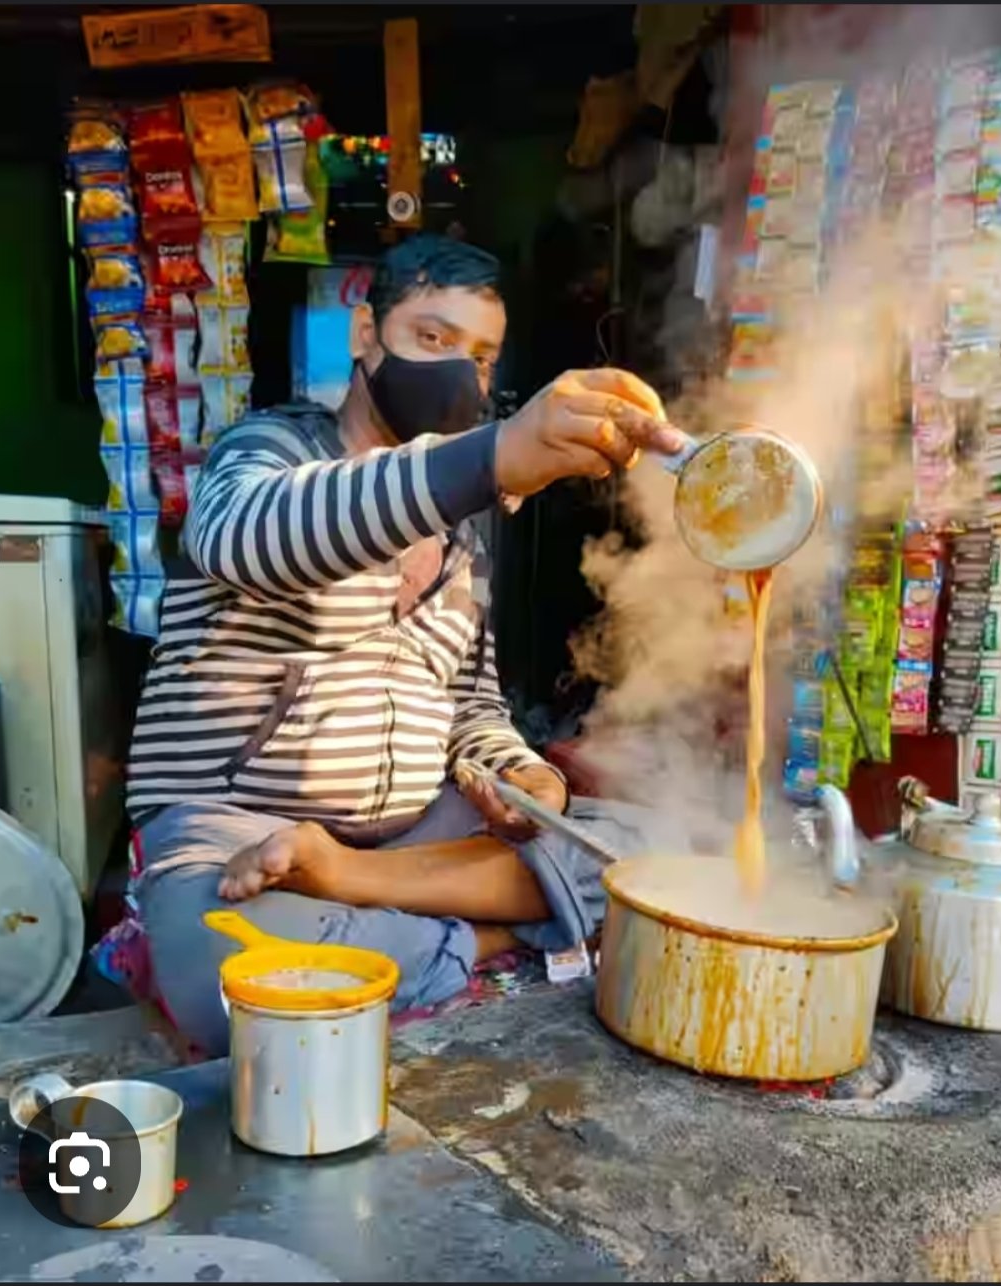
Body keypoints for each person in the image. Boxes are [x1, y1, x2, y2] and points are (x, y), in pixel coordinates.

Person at [128, 234, 682, 1055]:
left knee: (656, 861)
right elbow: (242, 539)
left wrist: (517, 772)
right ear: (365, 335)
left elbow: (468, 699)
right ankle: (492, 938)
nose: (462, 374)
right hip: (234, 831)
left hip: (410, 837)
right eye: (433, 339)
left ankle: (357, 893)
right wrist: (489, 455)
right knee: (229, 979)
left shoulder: (464, 534)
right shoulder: (267, 452)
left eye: (483, 356)